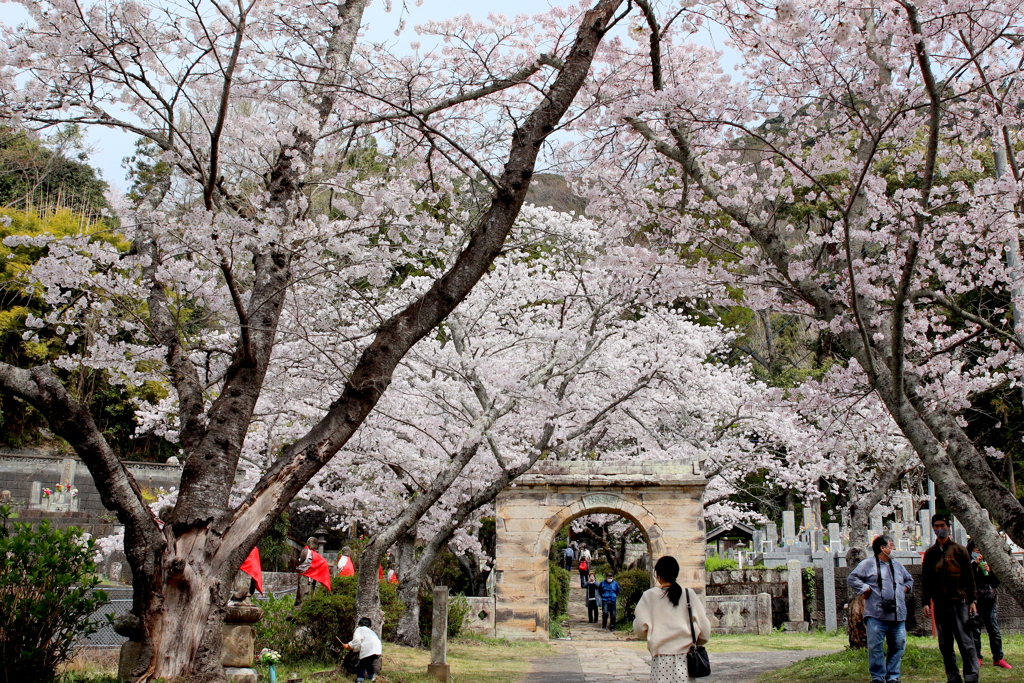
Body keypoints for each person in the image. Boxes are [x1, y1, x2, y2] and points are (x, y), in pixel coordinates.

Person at [633, 555, 711, 683]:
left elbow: (639, 630)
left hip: (661, 661)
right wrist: (696, 642)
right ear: (676, 573)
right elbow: (705, 631)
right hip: (687, 659)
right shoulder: (689, 594)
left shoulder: (649, 596)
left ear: (657, 574)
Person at [847, 535, 913, 683]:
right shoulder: (867, 564)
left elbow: (909, 579)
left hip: (898, 614)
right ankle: (878, 677)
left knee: (898, 646)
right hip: (876, 614)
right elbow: (852, 578)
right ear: (882, 548)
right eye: (891, 545)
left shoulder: (897, 565)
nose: (894, 548)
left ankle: (893, 677)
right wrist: (865, 588)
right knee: (875, 647)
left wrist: (905, 589)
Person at [922, 513, 979, 683]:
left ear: (948, 527)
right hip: (940, 603)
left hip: (960, 602)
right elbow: (926, 580)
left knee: (966, 643)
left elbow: (970, 578)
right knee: (945, 644)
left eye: (943, 525)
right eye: (937, 526)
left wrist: (973, 600)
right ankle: (953, 677)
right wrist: (925, 602)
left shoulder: (959, 550)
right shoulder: (931, 553)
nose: (940, 529)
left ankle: (971, 677)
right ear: (933, 528)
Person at [966, 540, 1012, 669]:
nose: (978, 551)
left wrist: (990, 571)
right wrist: (975, 566)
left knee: (994, 630)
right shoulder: (968, 565)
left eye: (980, 549)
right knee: (975, 630)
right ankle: (977, 657)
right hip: (974, 601)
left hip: (989, 598)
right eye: (975, 549)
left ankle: (998, 658)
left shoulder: (988, 563)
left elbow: (996, 583)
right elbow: (966, 580)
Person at [343, 616, 382, 683]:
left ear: (358, 625)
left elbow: (357, 641)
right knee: (369, 663)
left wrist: (349, 645)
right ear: (370, 627)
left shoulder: (359, 629)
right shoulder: (371, 631)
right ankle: (372, 676)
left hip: (368, 648)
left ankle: (360, 679)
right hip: (377, 649)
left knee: (362, 664)